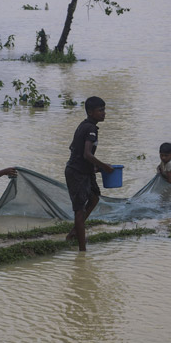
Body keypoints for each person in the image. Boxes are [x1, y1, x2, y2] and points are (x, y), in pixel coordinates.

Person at [64, 96, 114, 251]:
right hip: (76, 173)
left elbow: (73, 148)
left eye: (104, 109)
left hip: (83, 171)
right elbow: (87, 154)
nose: (104, 113)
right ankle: (82, 249)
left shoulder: (85, 126)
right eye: (100, 110)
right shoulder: (90, 129)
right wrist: (104, 166)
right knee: (79, 210)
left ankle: (74, 232)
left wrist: (93, 168)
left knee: (94, 198)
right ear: (91, 112)